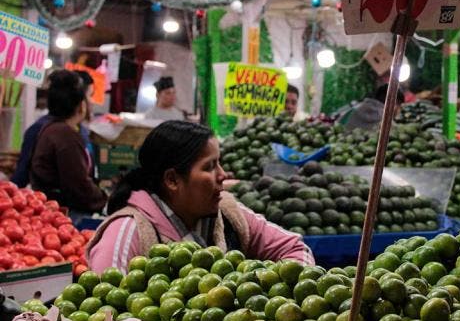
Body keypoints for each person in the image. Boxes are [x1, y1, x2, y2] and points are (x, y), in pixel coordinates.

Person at [86, 121, 314, 273]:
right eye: (210, 166)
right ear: (172, 180)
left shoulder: (228, 213)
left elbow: (295, 249)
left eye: (219, 163)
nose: (223, 175)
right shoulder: (128, 232)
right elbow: (103, 315)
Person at [30, 70, 106, 223]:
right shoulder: (64, 135)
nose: (91, 102)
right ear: (80, 106)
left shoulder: (54, 129)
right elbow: (78, 186)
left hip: (54, 212)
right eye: (89, 97)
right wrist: (105, 199)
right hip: (64, 216)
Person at [12, 71, 94, 187]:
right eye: (90, 95)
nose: (92, 101)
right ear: (81, 103)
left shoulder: (82, 131)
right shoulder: (39, 130)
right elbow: (20, 178)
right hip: (51, 198)